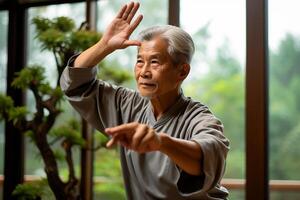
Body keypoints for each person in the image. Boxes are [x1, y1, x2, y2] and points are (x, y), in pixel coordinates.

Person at [60, 1, 230, 199]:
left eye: (155, 62)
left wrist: (160, 141)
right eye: (140, 61)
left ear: (182, 71)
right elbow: (75, 84)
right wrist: (104, 46)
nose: (144, 72)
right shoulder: (127, 105)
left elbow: (208, 158)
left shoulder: (199, 118)